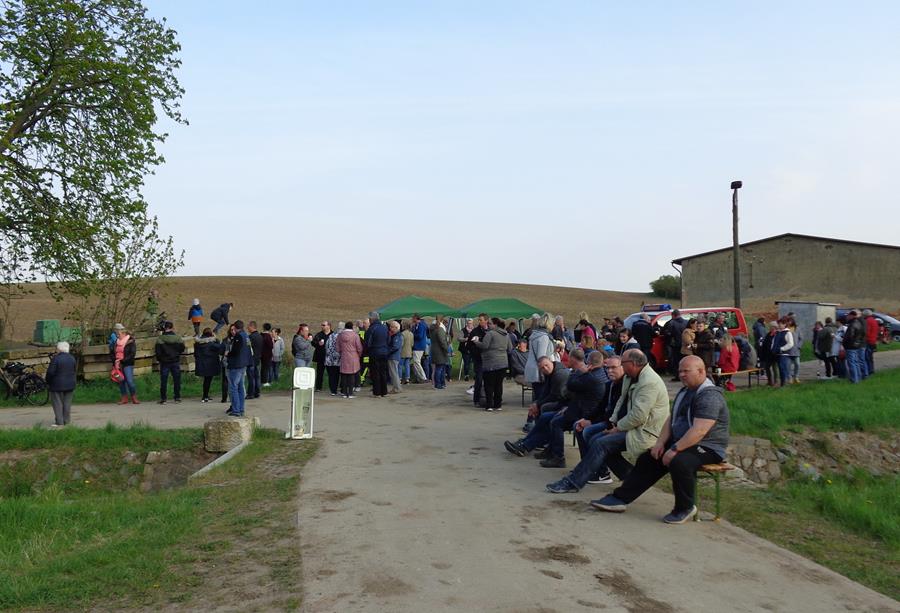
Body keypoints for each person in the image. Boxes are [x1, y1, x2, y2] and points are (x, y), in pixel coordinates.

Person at [591, 355, 730, 524]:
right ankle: (620, 499)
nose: (682, 375)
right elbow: (671, 420)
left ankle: (685, 507)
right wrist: (660, 443)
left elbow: (699, 431)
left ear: (701, 371)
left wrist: (674, 449)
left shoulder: (709, 396)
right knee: (649, 458)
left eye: (686, 371)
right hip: (685, 442)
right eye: (680, 371)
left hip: (708, 447)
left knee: (680, 462)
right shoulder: (685, 391)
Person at [546, 351, 667, 493]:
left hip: (646, 431)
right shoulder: (630, 377)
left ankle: (573, 482)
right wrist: (613, 422)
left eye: (621, 364)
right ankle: (632, 477)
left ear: (633, 364)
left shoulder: (649, 382)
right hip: (633, 426)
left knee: (601, 442)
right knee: (596, 439)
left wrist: (617, 428)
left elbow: (638, 416)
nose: (611, 370)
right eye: (608, 367)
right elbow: (620, 402)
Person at [473, 317, 512, 410]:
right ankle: (498, 405)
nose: (488, 325)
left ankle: (489, 405)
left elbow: (484, 346)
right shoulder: (506, 334)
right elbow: (510, 348)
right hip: (503, 363)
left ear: (495, 325)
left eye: (490, 323)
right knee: (499, 385)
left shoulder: (490, 333)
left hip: (491, 363)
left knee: (489, 385)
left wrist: (476, 342)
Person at [45, 341, 77, 427]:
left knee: (57, 403)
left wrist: (48, 381)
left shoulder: (56, 359)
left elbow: (50, 372)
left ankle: (59, 422)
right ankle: (66, 421)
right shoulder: (72, 358)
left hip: (57, 384)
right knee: (67, 403)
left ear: (59, 349)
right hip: (70, 384)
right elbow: (74, 370)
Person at [225, 321, 251, 416]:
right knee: (240, 387)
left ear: (235, 328)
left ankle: (236, 410)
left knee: (234, 387)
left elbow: (236, 351)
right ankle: (241, 409)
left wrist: (228, 354)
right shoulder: (246, 336)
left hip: (236, 364)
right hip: (243, 364)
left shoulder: (238, 336)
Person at [154, 321, 184, 404]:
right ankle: (177, 397)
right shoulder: (178, 338)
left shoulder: (160, 339)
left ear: (164, 328)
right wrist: (177, 354)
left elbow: (158, 352)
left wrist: (160, 359)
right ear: (172, 327)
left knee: (164, 380)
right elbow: (182, 348)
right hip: (175, 361)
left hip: (164, 362)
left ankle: (163, 399)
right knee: (177, 380)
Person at [364, 311, 390, 397]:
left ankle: (377, 392)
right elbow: (388, 340)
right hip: (384, 352)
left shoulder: (371, 329)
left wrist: (367, 351)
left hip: (374, 352)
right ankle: (384, 392)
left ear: (371, 319)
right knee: (383, 372)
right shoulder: (385, 328)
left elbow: (368, 342)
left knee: (375, 373)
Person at [110, 325, 138, 404]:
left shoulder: (130, 341)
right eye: (117, 334)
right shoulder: (116, 342)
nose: (117, 336)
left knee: (129, 381)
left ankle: (134, 397)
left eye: (119, 334)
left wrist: (122, 360)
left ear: (124, 334)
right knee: (121, 381)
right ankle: (124, 398)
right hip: (117, 364)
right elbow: (112, 352)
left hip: (127, 364)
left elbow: (132, 354)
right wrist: (115, 360)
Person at [466, 314, 489, 406]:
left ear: (486, 321)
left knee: (489, 380)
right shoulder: (475, 331)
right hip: (479, 359)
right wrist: (475, 351)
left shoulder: (491, 331)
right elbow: (468, 346)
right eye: (478, 320)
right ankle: (477, 400)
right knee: (479, 379)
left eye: (481, 320)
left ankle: (489, 399)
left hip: (489, 359)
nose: (479, 321)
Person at [194, 328, 223, 402]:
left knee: (206, 381)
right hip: (210, 365)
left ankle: (205, 395)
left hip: (201, 364)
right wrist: (216, 338)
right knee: (208, 381)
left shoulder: (197, 343)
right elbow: (220, 347)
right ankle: (205, 397)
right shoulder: (211, 344)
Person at [337, 321, 363, 398]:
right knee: (352, 374)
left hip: (344, 356)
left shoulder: (340, 335)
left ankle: (344, 393)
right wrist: (359, 354)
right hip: (353, 356)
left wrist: (341, 352)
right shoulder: (355, 335)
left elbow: (337, 347)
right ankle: (351, 393)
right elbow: (359, 347)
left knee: (344, 374)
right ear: (352, 327)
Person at [842, 310, 867, 383]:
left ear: (851, 316)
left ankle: (854, 379)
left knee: (852, 362)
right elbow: (863, 334)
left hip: (850, 346)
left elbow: (849, 336)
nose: (847, 317)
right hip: (857, 345)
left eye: (848, 316)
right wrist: (858, 342)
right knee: (856, 362)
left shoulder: (852, 324)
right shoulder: (859, 323)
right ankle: (858, 377)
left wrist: (844, 342)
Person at [663, 309, 688, 380]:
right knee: (684, 360)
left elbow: (668, 333)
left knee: (676, 361)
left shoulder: (672, 323)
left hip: (675, 345)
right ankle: (685, 375)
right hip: (684, 344)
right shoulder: (686, 322)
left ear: (673, 315)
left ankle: (678, 376)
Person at [429, 315, 450, 390]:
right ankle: (438, 384)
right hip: (440, 351)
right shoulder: (440, 329)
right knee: (440, 368)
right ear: (442, 320)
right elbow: (442, 341)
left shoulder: (432, 328)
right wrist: (447, 349)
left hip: (434, 349)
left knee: (440, 367)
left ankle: (441, 383)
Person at [311, 321, 332, 391]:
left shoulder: (333, 334)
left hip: (330, 358)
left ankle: (332, 387)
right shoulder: (319, 334)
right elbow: (313, 342)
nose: (322, 326)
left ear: (329, 326)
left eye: (323, 325)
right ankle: (318, 387)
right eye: (322, 325)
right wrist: (318, 343)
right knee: (319, 373)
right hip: (320, 357)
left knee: (331, 373)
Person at [773, 318, 794, 388]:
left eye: (781, 324)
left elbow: (790, 344)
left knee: (783, 369)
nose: (779, 325)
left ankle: (785, 383)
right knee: (780, 369)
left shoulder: (788, 333)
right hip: (777, 353)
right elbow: (774, 342)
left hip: (784, 354)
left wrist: (782, 348)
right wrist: (773, 348)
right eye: (778, 324)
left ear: (785, 324)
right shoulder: (778, 333)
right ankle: (782, 384)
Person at [410, 313, 429, 383]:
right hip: (419, 346)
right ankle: (419, 378)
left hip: (419, 346)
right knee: (416, 362)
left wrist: (412, 334)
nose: (412, 319)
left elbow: (420, 336)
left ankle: (423, 377)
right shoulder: (418, 325)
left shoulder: (421, 325)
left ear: (416, 318)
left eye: (413, 318)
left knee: (416, 362)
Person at [324, 323, 342, 395]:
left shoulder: (330, 336)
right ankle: (337, 389)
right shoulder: (341, 337)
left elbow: (326, 346)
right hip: (338, 360)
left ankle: (333, 391)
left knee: (331, 376)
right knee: (337, 376)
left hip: (329, 360)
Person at [246, 321, 262, 399]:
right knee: (257, 377)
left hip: (251, 360)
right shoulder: (260, 336)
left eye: (248, 327)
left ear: (252, 327)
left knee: (251, 378)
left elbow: (247, 348)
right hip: (257, 359)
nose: (247, 328)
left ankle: (250, 393)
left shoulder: (250, 337)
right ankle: (257, 392)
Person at [387, 320, 403, 394]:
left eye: (392, 327)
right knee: (393, 373)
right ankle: (396, 387)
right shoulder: (396, 335)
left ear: (396, 328)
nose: (390, 328)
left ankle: (397, 388)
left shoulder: (397, 336)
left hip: (393, 356)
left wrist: (387, 351)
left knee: (394, 373)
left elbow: (395, 347)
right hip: (393, 356)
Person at [863, 309, 879, 377]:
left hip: (868, 341)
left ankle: (869, 371)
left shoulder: (867, 321)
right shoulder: (874, 320)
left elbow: (867, 332)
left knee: (867, 357)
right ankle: (871, 370)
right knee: (870, 357)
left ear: (865, 315)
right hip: (873, 340)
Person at [261, 323, 274, 387]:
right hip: (267, 355)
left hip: (261, 354)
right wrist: (273, 341)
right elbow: (271, 346)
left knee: (262, 368)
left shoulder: (261, 335)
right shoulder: (268, 336)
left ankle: (262, 380)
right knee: (266, 368)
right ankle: (265, 381)